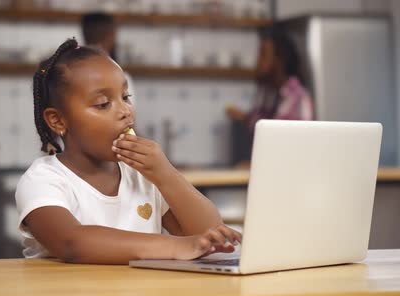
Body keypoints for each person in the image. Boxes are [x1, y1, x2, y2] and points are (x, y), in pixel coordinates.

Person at [15, 38, 242, 264]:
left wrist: (166, 175)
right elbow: (71, 243)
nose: (125, 111)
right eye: (103, 103)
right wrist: (176, 246)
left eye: (125, 97)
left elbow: (209, 234)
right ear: (58, 121)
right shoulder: (44, 179)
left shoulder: (141, 176)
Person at [226, 26, 314, 165]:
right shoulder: (268, 94)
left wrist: (253, 165)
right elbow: (261, 127)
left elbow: (285, 146)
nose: (258, 62)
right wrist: (244, 117)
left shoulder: (297, 98)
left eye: (263, 54)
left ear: (280, 59)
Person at [81, 12, 136, 105]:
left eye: (125, 97)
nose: (125, 112)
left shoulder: (73, 73)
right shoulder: (121, 76)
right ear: (112, 35)